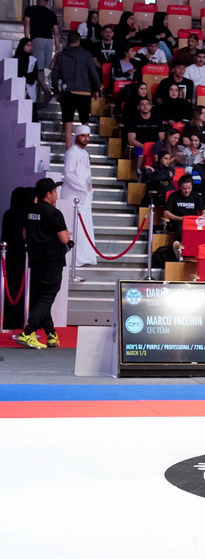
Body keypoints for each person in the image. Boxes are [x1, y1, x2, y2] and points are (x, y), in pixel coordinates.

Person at [17, 179, 71, 350]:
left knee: (41, 298)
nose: (56, 194)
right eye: (55, 191)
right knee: (47, 297)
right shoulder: (54, 213)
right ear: (48, 194)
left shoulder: (29, 211)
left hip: (35, 260)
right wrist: (67, 235)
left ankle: (51, 334)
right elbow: (64, 239)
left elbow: (25, 235)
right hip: (52, 261)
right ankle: (28, 332)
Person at [50, 32, 101, 149]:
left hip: (68, 92)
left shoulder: (61, 56)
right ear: (79, 41)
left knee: (68, 121)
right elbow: (94, 74)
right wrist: (96, 89)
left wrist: (57, 92)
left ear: (68, 41)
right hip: (84, 92)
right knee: (85, 120)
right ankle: (83, 148)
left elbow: (54, 75)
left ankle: (69, 148)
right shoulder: (86, 55)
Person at [60, 124, 97, 267]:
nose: (86, 139)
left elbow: (86, 175)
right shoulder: (72, 152)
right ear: (76, 136)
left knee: (85, 228)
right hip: (73, 196)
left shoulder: (85, 153)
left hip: (84, 197)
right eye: (83, 136)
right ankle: (75, 258)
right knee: (75, 227)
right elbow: (68, 174)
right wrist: (82, 189)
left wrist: (88, 190)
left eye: (88, 136)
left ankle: (85, 257)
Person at [23, 0, 60, 102]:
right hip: (49, 41)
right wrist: (57, 48)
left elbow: (27, 24)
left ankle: (46, 91)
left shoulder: (30, 9)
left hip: (37, 39)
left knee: (38, 68)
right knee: (44, 69)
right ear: (46, 2)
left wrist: (26, 40)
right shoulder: (51, 13)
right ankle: (40, 95)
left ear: (37, 1)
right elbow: (56, 33)